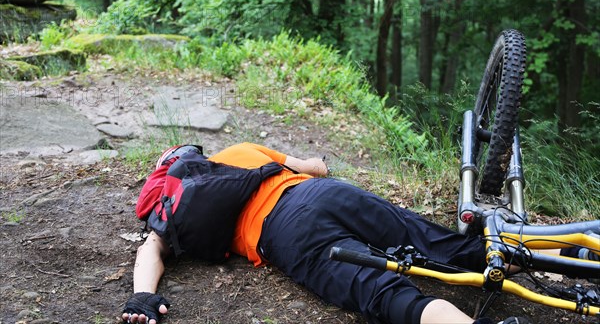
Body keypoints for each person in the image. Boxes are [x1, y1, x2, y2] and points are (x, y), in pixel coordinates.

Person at [121, 142, 531, 324]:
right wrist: (318, 162)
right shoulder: (237, 153)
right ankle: (568, 254)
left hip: (285, 234)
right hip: (320, 192)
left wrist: (142, 296)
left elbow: (149, 252)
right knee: (442, 243)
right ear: (197, 157)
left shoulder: (173, 209)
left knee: (380, 292)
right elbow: (313, 167)